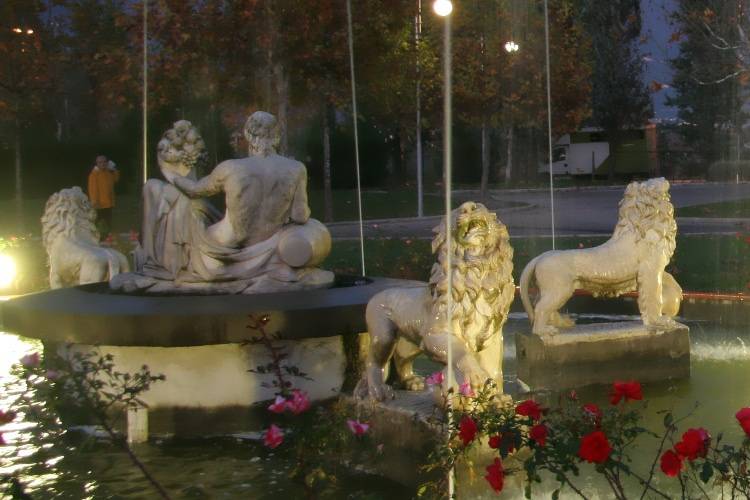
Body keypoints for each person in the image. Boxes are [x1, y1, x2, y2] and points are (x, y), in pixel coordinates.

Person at [87, 155, 119, 236]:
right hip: (99, 204)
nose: (103, 164)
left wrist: (114, 168)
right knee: (99, 223)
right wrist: (94, 202)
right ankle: (99, 239)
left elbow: (116, 179)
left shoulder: (108, 172)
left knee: (108, 222)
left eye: (105, 162)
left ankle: (106, 238)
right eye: (100, 162)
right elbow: (92, 189)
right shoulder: (94, 175)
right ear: (97, 163)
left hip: (109, 203)